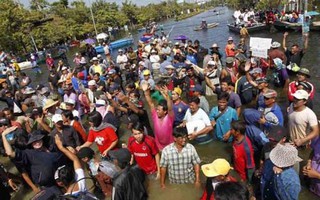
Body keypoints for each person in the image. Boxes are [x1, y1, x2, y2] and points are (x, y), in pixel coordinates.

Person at [142, 83, 174, 150]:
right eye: (157, 109)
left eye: (159, 110)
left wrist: (167, 95)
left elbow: (170, 108)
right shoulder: (155, 116)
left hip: (170, 146)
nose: (157, 111)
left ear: (165, 111)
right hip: (159, 145)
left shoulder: (169, 118)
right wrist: (146, 93)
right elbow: (150, 103)